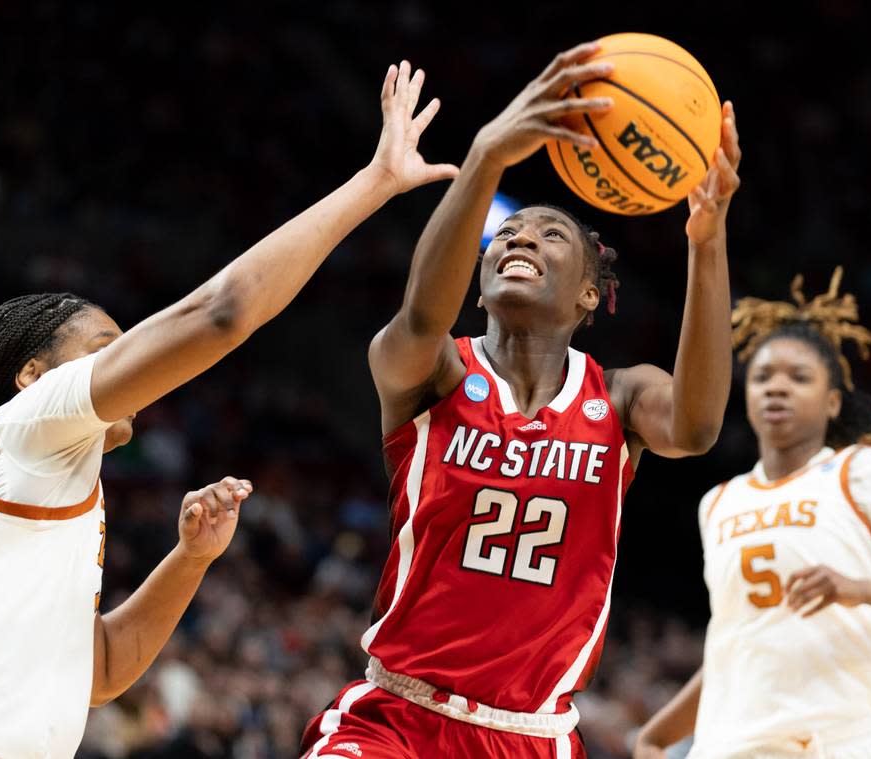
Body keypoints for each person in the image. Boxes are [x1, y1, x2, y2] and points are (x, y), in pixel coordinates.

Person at [0, 62, 455, 759]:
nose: (127, 363)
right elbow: (221, 313)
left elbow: (99, 671)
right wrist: (376, 181)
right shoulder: (28, 425)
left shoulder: (38, 478)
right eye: (105, 349)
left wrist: (191, 559)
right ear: (32, 375)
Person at [299, 42, 742, 759]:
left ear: (588, 295)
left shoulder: (619, 396)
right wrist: (487, 155)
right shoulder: (433, 371)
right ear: (476, 286)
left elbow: (695, 427)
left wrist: (708, 239)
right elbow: (419, 318)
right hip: (397, 718)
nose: (521, 236)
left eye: (550, 232)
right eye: (506, 232)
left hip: (531, 735)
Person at [634, 269, 871, 759]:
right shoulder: (718, 502)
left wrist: (855, 589)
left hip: (859, 740)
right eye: (762, 377)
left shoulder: (865, 472)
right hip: (741, 746)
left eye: (798, 378)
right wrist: (656, 735)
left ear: (832, 401)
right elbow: (738, 642)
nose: (776, 388)